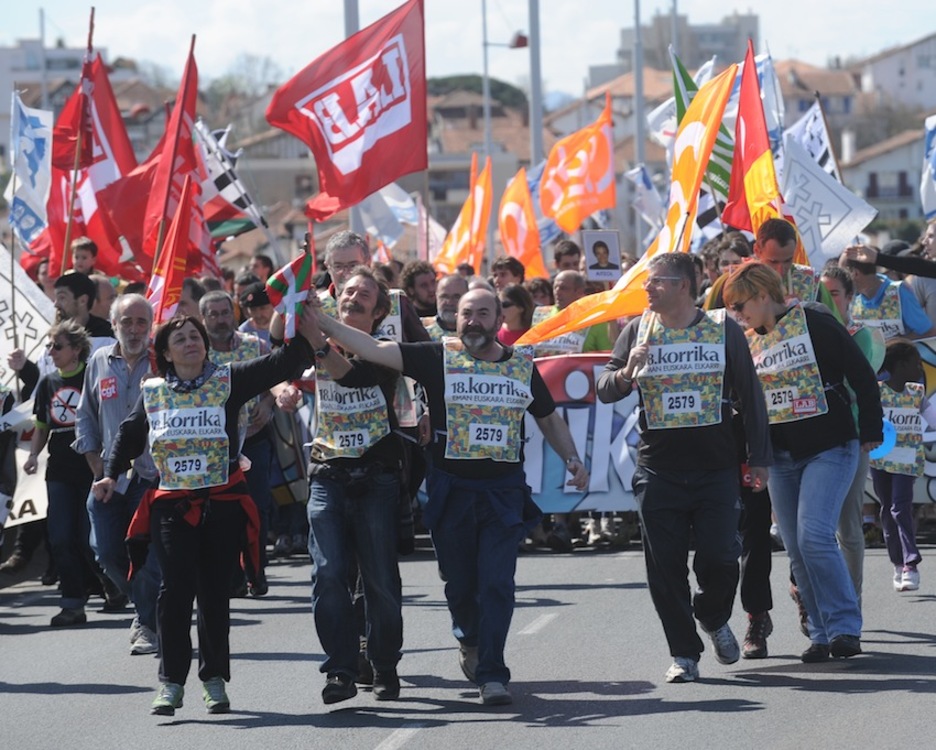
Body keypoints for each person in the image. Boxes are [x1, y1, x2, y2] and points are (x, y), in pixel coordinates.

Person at [310, 287, 588, 706]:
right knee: (459, 585)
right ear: (455, 319)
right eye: (466, 313)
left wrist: (572, 457)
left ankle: (492, 672)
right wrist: (324, 323)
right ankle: (470, 642)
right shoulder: (438, 356)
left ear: (498, 321)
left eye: (483, 313)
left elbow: (548, 418)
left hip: (503, 493)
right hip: (451, 491)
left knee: (497, 583)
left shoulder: (521, 366)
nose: (473, 320)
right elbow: (373, 348)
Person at [92, 308, 319, 716]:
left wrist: (295, 312)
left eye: (195, 336)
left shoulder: (228, 381)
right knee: (173, 593)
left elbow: (288, 360)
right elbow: (129, 432)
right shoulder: (155, 390)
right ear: (165, 350)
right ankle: (170, 683)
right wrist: (111, 474)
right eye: (179, 339)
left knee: (214, 594)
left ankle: (213, 680)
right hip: (171, 506)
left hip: (223, 503)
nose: (190, 342)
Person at [596, 253, 771, 683]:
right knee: (664, 568)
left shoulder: (722, 329)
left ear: (683, 286)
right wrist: (626, 375)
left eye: (655, 282)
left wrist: (760, 458)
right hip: (658, 472)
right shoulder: (638, 330)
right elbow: (605, 387)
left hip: (715, 469)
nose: (647, 289)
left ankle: (712, 616)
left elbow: (750, 396)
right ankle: (684, 653)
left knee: (721, 558)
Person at [723, 261, 882, 663]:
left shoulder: (813, 320)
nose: (737, 313)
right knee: (796, 547)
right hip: (780, 457)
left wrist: (871, 430)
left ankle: (846, 627)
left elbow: (861, 373)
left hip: (831, 446)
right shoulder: (747, 342)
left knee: (814, 536)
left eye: (740, 304)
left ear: (762, 295)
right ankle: (822, 633)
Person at [304, 267, 406, 704]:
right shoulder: (313, 340)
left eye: (365, 294)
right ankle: (341, 670)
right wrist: (291, 300)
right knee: (327, 573)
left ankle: (382, 663)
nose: (354, 297)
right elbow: (275, 337)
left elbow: (350, 375)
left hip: (376, 477)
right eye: (348, 291)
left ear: (378, 310)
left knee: (379, 580)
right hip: (328, 472)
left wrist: (319, 333)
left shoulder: (386, 350)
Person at [73, 293, 161, 655]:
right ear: (114, 326)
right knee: (105, 551)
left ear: (151, 326)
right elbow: (85, 416)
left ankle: (147, 620)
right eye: (127, 321)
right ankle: (151, 603)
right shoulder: (98, 360)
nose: (135, 329)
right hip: (109, 477)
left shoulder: (161, 361)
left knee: (147, 553)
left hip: (153, 475)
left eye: (142, 322)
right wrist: (97, 466)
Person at [25, 321, 109, 627]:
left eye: (57, 346)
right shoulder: (48, 383)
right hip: (59, 469)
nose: (51, 352)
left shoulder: (93, 375)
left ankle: (111, 584)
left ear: (76, 350)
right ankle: (72, 603)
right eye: (50, 346)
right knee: (60, 537)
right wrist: (34, 455)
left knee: (92, 539)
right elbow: (43, 425)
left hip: (90, 468)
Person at [200, 290, 277, 597]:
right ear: (204, 318)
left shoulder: (254, 345)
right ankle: (231, 575)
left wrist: (269, 403)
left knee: (256, 507)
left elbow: (277, 376)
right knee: (222, 511)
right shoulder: (197, 351)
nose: (221, 319)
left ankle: (256, 571)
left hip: (255, 439)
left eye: (225, 312)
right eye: (213, 314)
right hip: (215, 446)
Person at [819, 265, 885, 605]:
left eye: (833, 294)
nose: (827, 301)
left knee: (848, 524)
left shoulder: (858, 335)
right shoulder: (808, 331)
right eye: (822, 293)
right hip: (816, 440)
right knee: (816, 531)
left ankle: (852, 602)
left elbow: (861, 386)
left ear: (849, 298)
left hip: (854, 439)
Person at [706, 218, 841, 322]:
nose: (780, 269)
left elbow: (836, 329)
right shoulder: (729, 282)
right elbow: (706, 330)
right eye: (773, 261)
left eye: (787, 260)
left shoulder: (812, 283)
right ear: (757, 250)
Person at [870, 340, 926, 593]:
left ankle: (911, 564)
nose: (920, 368)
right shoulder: (877, 391)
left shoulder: (916, 392)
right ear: (901, 366)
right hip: (881, 459)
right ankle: (897, 562)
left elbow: (932, 417)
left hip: (906, 459)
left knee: (898, 506)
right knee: (886, 509)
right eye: (916, 364)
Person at [841, 249, 936, 341]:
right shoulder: (852, 301)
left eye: (842, 275)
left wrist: (895, 343)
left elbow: (929, 333)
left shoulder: (898, 293)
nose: (840, 281)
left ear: (855, 273)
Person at [422, 274, 467, 341]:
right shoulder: (421, 329)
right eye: (444, 296)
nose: (449, 302)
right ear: (436, 297)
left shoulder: (475, 333)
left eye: (456, 297)